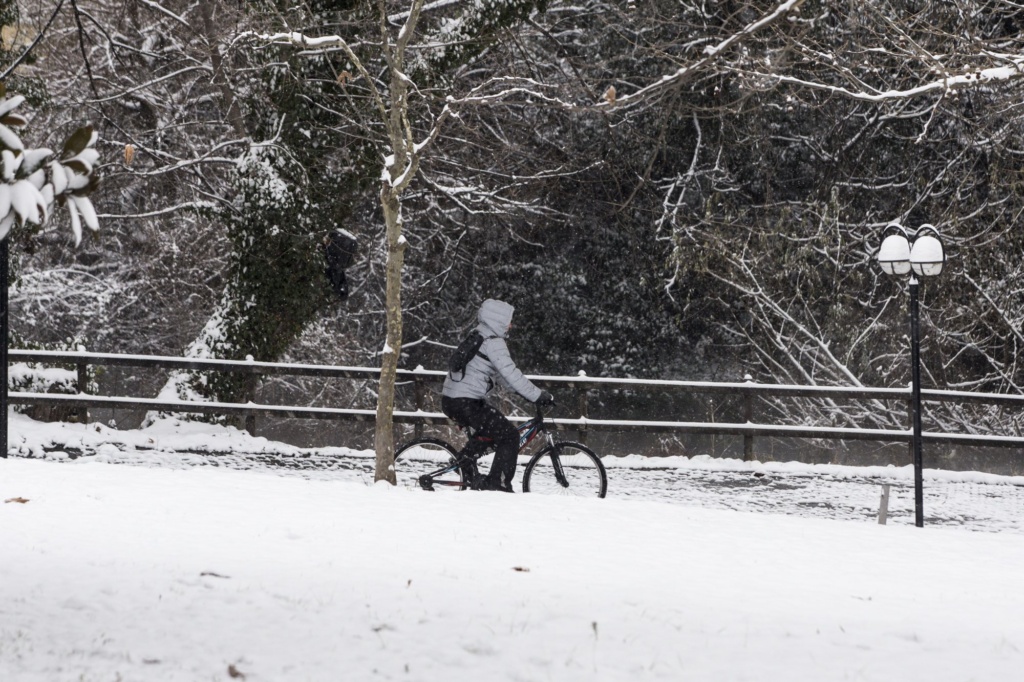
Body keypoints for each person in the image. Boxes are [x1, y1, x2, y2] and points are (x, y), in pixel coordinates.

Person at [441, 299, 554, 492]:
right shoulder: (493, 342)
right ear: (499, 320)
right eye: (508, 320)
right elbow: (512, 373)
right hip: (466, 402)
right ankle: (498, 483)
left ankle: (465, 460)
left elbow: (503, 378)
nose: (510, 325)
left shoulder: (479, 334)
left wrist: (527, 394)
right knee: (509, 436)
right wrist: (537, 396)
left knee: (493, 430)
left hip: (454, 400)